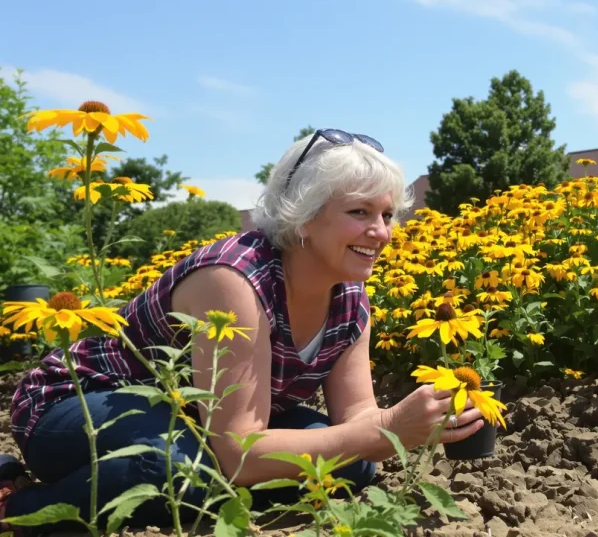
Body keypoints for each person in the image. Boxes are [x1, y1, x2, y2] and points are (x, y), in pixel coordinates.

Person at [0, 130, 485, 533]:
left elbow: (357, 417)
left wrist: (419, 422)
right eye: (359, 213)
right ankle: (18, 508)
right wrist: (387, 429)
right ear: (304, 217)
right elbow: (238, 452)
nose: (380, 232)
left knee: (355, 464)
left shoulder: (350, 298)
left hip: (197, 419)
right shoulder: (234, 279)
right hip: (79, 403)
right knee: (179, 473)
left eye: (386, 215)